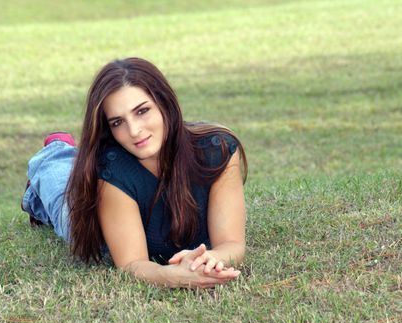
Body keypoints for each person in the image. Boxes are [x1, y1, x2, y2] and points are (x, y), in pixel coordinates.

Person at [21, 57, 248, 289]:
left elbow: (231, 243)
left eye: (142, 111)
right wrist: (176, 276)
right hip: (98, 215)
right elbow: (132, 263)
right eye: (118, 122)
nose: (134, 131)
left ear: (164, 103)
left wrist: (213, 260)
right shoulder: (110, 172)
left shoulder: (217, 150)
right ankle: (56, 150)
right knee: (63, 203)